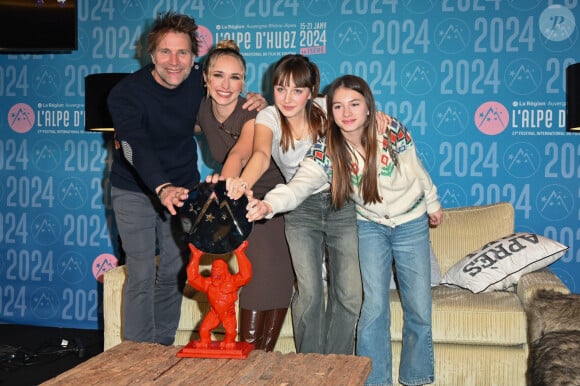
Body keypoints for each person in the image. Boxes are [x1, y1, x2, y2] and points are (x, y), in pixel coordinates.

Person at [246, 74, 443, 385]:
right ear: (329, 112)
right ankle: (375, 380)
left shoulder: (391, 130)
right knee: (373, 308)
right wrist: (268, 205)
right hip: (370, 225)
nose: (347, 112)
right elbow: (298, 186)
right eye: (338, 106)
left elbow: (415, 168)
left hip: (410, 222)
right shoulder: (328, 150)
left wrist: (432, 203)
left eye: (354, 104)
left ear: (368, 107)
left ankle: (416, 378)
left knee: (419, 307)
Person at [107, 12, 266, 345]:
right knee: (140, 273)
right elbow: (133, 146)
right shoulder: (125, 93)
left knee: (171, 273)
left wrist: (255, 101)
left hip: (185, 189)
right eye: (165, 52)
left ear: (195, 57)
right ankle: (136, 357)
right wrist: (161, 187)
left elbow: (228, 92)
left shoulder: (200, 81)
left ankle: (161, 349)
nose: (174, 62)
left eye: (183, 53)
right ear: (150, 54)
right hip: (134, 188)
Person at [226, 54, 362, 355]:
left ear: (311, 91)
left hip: (343, 203)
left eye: (297, 90)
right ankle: (310, 366)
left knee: (350, 294)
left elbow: (359, 113)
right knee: (310, 293)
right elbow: (260, 156)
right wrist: (242, 184)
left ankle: (335, 366)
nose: (287, 98)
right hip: (299, 209)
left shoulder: (326, 109)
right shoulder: (268, 118)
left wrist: (376, 116)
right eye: (280, 88)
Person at [195, 40, 294, 351]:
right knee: (255, 275)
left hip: (269, 194)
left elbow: (240, 153)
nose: (226, 85)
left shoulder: (254, 111)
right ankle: (252, 356)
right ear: (205, 78)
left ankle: (257, 354)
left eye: (235, 77)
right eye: (218, 76)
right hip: (240, 193)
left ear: (244, 82)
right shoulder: (199, 109)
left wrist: (222, 188)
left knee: (272, 273)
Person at [186, 241, 252, 349]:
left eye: (219, 270)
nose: (216, 272)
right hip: (214, 313)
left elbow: (246, 276)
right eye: (214, 269)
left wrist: (240, 254)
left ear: (225, 271)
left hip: (228, 314)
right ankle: (204, 342)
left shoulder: (232, 282)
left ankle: (228, 342)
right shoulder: (209, 283)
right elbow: (193, 278)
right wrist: (196, 257)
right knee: (203, 330)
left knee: (230, 333)